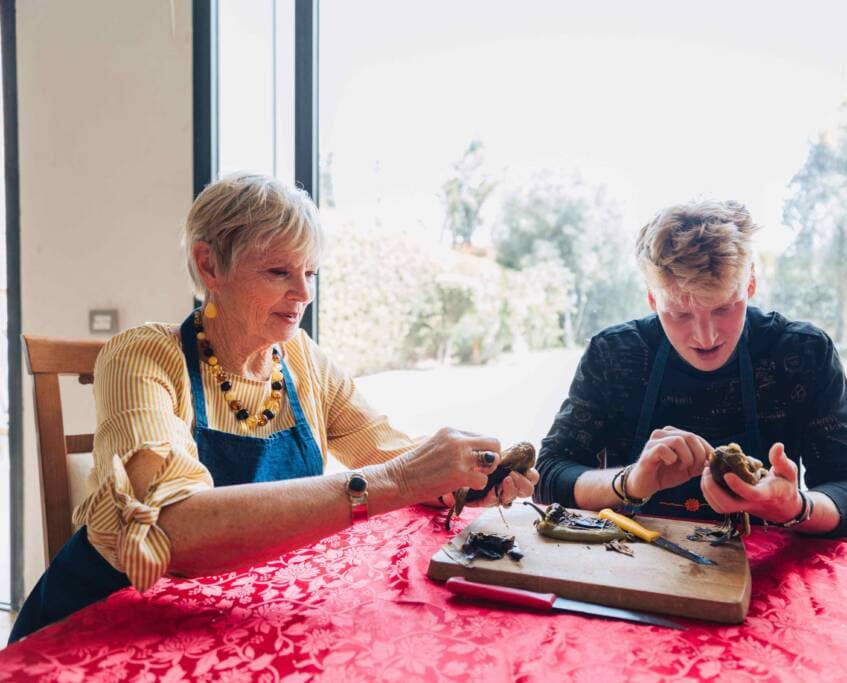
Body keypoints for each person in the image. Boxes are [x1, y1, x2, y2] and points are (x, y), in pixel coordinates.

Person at [11, 173, 538, 642]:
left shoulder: (301, 359)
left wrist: (465, 479)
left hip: (236, 615)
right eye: (278, 271)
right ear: (209, 263)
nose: (303, 292)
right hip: (109, 623)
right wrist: (397, 481)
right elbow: (174, 531)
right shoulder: (142, 357)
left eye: (309, 272)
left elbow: (387, 448)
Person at [534, 200, 847, 536]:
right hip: (632, 563)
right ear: (653, 299)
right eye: (680, 314)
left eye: (724, 308)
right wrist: (628, 482)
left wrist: (795, 507)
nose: (705, 336)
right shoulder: (613, 353)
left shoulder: (802, 353)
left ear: (750, 285)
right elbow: (548, 476)